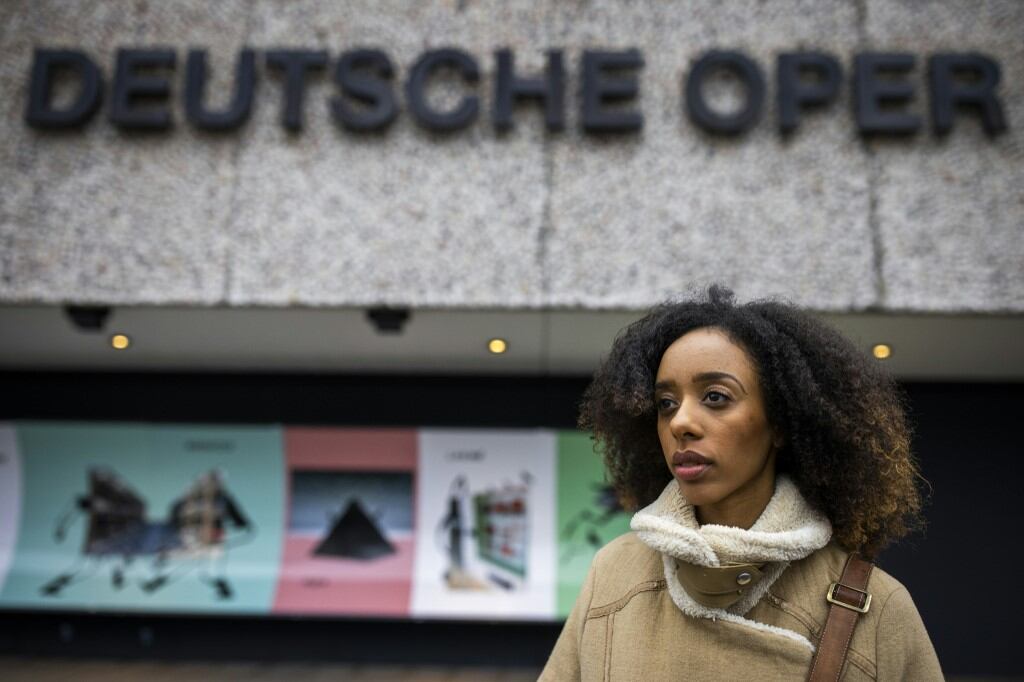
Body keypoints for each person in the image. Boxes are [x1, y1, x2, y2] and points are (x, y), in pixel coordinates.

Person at [540, 285, 942, 680]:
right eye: (666, 403)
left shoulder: (877, 608)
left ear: (780, 423)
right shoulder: (613, 574)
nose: (680, 422)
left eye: (716, 397)